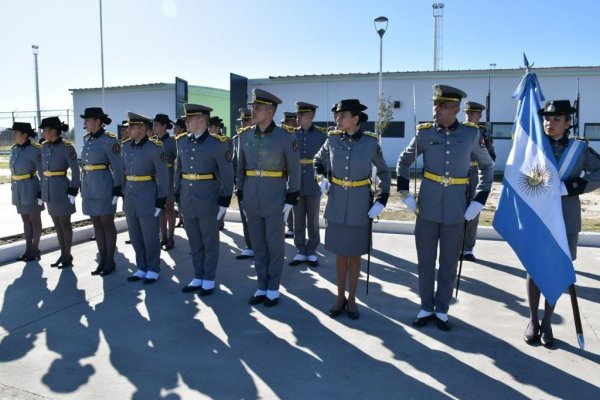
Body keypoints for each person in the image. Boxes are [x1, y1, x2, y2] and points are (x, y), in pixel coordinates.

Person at [396, 85, 494, 330]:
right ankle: (425, 306)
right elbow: (404, 161)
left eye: (442, 105)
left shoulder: (471, 134)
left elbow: (487, 167)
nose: (436, 109)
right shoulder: (425, 133)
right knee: (425, 261)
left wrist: (479, 199)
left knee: (449, 262)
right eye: (435, 104)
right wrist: (404, 192)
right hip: (427, 207)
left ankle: (442, 309)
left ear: (456, 109)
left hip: (456, 209)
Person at [523, 100, 600, 347]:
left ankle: (547, 323)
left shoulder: (579, 149)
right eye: (547, 118)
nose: (550, 122)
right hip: (538, 214)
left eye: (557, 119)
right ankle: (533, 320)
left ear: (568, 123)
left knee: (555, 271)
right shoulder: (534, 145)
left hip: (565, 216)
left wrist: (570, 187)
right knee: (535, 269)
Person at [314, 99, 390, 319]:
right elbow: (318, 161)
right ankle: (339, 297)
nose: (337, 119)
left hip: (359, 204)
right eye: (337, 116)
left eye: (342, 115)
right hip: (337, 202)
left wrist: (382, 199)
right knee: (340, 254)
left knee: (355, 255)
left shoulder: (370, 142)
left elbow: (384, 173)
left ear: (356, 119)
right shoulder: (332, 138)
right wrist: (322, 178)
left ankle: (353, 299)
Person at [237, 89, 300, 307]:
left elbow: (295, 170)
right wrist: (241, 193)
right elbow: (240, 169)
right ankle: (261, 285)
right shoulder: (244, 137)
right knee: (258, 245)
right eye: (253, 107)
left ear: (271, 112)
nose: (252, 111)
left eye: (258, 108)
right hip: (251, 198)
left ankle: (273, 288)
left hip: (275, 198)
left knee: (275, 245)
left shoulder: (286, 137)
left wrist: (291, 199)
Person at [174, 104, 234, 295]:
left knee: (209, 241)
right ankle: (197, 275)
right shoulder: (182, 142)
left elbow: (227, 174)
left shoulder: (218, 144)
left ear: (202, 121)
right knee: (194, 240)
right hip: (187, 198)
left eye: (189, 119)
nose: (186, 122)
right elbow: (179, 170)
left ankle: (208, 278)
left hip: (208, 199)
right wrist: (177, 194)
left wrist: (224, 202)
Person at [121, 112, 169, 284]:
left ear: (142, 128)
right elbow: (123, 173)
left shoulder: (155, 148)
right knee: (135, 236)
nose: (128, 129)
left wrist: (161, 200)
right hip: (131, 197)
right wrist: (122, 194)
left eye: (132, 126)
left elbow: (163, 177)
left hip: (147, 196)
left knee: (150, 236)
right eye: (129, 126)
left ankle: (153, 268)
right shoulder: (125, 147)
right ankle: (141, 267)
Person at [80, 107, 123, 276]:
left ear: (97, 122)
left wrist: (117, 190)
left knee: (107, 224)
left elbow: (118, 167)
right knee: (96, 224)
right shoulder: (87, 140)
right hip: (89, 187)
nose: (84, 123)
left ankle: (110, 261)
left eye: (87, 120)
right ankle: (103, 259)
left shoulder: (109, 141)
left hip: (104, 188)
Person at [288, 102, 327, 267]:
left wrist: (325, 179)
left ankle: (311, 250)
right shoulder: (291, 134)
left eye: (301, 115)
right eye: (297, 115)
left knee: (312, 218)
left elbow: (327, 159)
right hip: (296, 181)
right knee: (297, 219)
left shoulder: (321, 135)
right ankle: (300, 249)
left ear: (311, 116)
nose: (297, 118)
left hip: (313, 182)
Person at [39, 116, 81, 268]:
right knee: (56, 224)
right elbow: (42, 170)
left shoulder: (66, 147)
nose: (43, 133)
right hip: (49, 191)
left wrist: (73, 189)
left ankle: (67, 255)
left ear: (54, 131)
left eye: (45, 130)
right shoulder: (44, 147)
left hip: (62, 190)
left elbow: (76, 171)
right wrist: (42, 190)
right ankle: (63, 254)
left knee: (64, 224)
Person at [461, 101, 496, 262]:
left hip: (475, 172)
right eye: (467, 112)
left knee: (473, 212)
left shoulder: (484, 132)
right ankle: (455, 247)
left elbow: (490, 155)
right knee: (456, 211)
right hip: (459, 173)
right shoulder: (458, 129)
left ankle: (468, 248)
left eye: (473, 113)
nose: (469, 115)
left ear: (479, 115)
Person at [9, 122, 44, 262]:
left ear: (25, 135)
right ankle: (28, 248)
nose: (13, 135)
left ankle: (35, 249)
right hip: (18, 189)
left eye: (15, 133)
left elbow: (42, 173)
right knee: (25, 220)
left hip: (31, 188)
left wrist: (41, 192)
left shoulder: (35, 150)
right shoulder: (14, 149)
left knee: (34, 220)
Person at [152, 113, 177, 250]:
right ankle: (163, 237)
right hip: (155, 179)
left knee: (169, 208)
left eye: (156, 125)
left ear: (164, 126)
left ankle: (171, 238)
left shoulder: (172, 142)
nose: (153, 127)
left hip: (168, 178)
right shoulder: (152, 142)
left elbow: (179, 162)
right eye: (153, 125)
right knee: (160, 208)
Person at [233, 108, 255, 260]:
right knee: (245, 217)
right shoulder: (237, 138)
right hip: (243, 182)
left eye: (246, 120)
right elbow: (235, 162)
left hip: (259, 182)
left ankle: (261, 246)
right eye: (241, 121)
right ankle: (249, 245)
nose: (243, 123)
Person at [208, 116, 227, 232]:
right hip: (210, 177)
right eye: (208, 127)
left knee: (222, 198)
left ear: (217, 128)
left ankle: (220, 221)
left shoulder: (224, 141)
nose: (209, 129)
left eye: (211, 127)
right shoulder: (208, 141)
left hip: (221, 175)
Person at [282, 111, 298, 238]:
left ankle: (294, 228)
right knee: (287, 202)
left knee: (295, 203)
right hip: (284, 174)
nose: (286, 124)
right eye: (285, 122)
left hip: (297, 174)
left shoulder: (298, 134)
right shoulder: (285, 135)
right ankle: (290, 226)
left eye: (288, 121)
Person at [173, 118, 187, 228]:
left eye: (176, 127)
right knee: (179, 200)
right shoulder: (176, 140)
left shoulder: (185, 140)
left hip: (185, 175)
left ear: (182, 129)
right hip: (176, 173)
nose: (174, 129)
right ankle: (181, 219)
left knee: (184, 199)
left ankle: (185, 219)